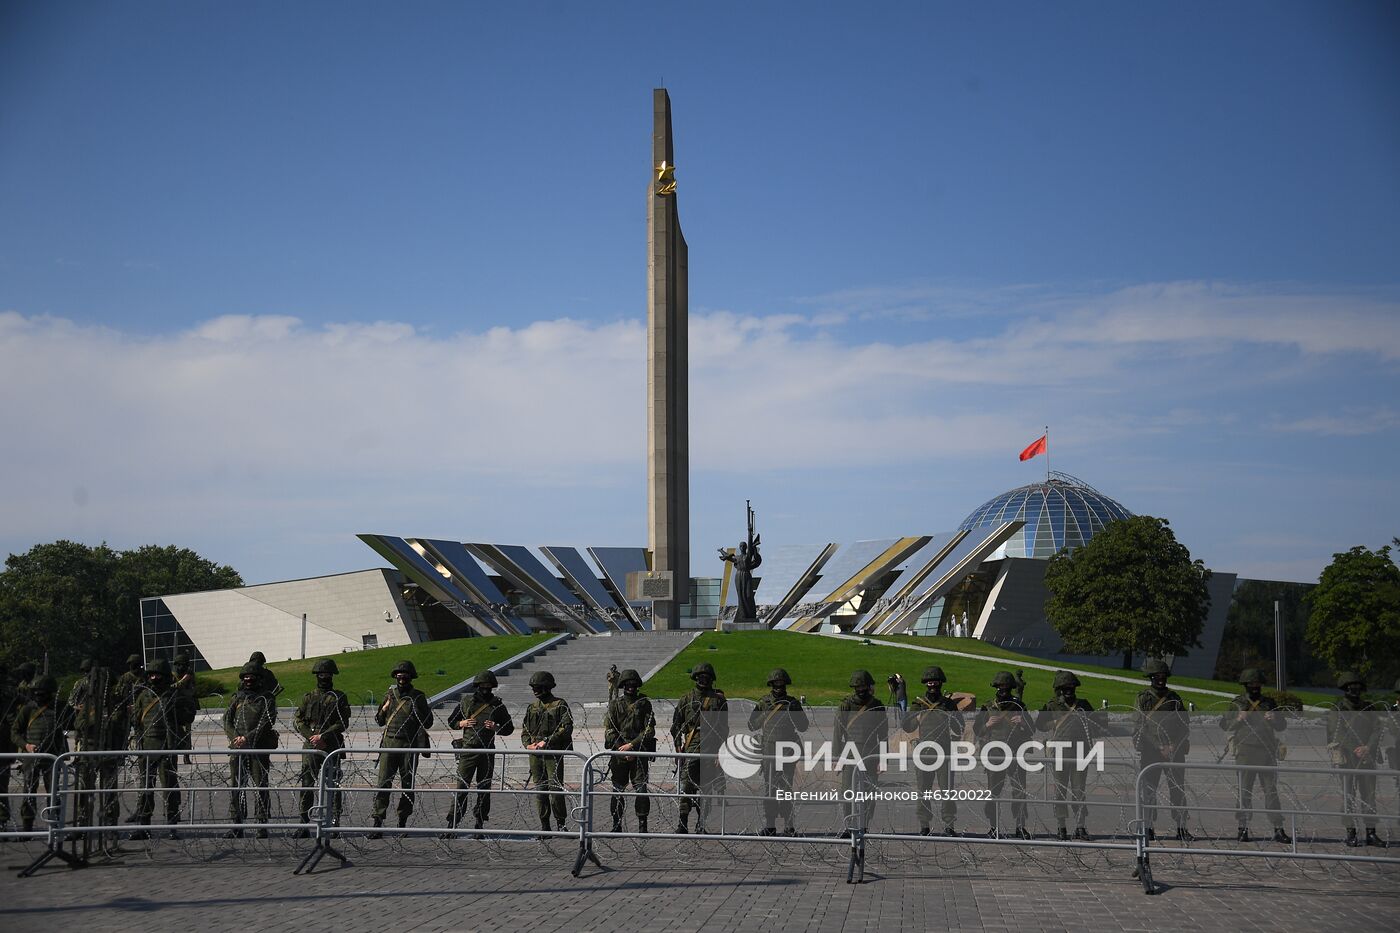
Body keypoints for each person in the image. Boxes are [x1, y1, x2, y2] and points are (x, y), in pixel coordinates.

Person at [1218, 668, 1291, 844]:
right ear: (1245, 685)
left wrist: (1275, 718)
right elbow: (1224, 725)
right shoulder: (1237, 703)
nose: (1255, 686)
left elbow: (1282, 726)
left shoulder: (1269, 703)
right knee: (1244, 791)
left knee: (1271, 791)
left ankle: (1278, 828)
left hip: (1267, 752)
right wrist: (1238, 719)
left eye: (1257, 683)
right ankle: (1242, 828)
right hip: (1245, 752)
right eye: (1251, 684)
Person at [1036, 671, 1106, 840]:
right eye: (1065, 688)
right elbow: (1039, 725)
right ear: (1059, 689)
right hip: (1059, 752)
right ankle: (1061, 827)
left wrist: (1091, 722)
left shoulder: (1083, 705)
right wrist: (1053, 722)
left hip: (1080, 752)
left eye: (1071, 687)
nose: (1069, 691)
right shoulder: (1052, 705)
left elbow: (1098, 725)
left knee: (1078, 790)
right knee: (1060, 791)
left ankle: (1080, 826)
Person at [130, 659, 196, 839]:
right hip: (147, 747)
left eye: (157, 674)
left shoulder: (174, 694)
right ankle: (143, 825)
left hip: (167, 747)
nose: (154, 677)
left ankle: (172, 824)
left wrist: (180, 709)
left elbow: (188, 715)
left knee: (169, 787)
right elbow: (136, 720)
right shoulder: (144, 696)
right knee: (145, 787)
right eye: (151, 674)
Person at [443, 669, 513, 836]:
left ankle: (479, 823)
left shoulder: (497, 705)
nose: (485, 688)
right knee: (461, 787)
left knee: (484, 788)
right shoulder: (467, 702)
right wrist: (462, 723)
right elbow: (451, 721)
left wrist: (496, 727)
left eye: (488, 685)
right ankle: (452, 824)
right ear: (477, 685)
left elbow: (509, 728)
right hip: (468, 750)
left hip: (487, 751)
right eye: (482, 685)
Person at [369, 660, 434, 838]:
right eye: (399, 675)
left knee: (407, 785)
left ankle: (402, 821)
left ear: (411, 677)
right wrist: (384, 708)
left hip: (409, 746)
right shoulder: (390, 695)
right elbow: (379, 721)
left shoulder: (418, 697)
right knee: (383, 784)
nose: (401, 678)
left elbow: (428, 722)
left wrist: (416, 710)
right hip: (389, 744)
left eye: (405, 675)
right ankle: (377, 822)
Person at [1134, 658, 1193, 842]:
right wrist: (1159, 746)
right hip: (1151, 751)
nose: (1160, 680)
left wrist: (1174, 744)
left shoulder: (1174, 698)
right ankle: (1148, 826)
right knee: (1149, 790)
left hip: (1174, 750)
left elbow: (1184, 725)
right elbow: (1140, 726)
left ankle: (1181, 826)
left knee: (1177, 789)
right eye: (1157, 676)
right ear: (1151, 678)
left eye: (1163, 676)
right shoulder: (1144, 698)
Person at [1327, 671, 1387, 847]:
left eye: (1357, 688)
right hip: (1348, 758)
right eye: (1351, 688)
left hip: (1367, 757)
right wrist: (1357, 747)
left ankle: (1371, 832)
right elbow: (1336, 731)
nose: (1355, 691)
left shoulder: (1369, 708)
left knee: (1369, 795)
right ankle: (1350, 831)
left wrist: (1368, 747)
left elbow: (1378, 729)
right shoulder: (1337, 709)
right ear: (1345, 689)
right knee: (1349, 795)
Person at [293, 658, 351, 838]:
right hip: (311, 745)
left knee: (332, 785)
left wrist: (323, 736)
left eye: (327, 674)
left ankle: (334, 822)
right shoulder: (308, 697)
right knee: (306, 784)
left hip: (331, 744)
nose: (324, 677)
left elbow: (343, 722)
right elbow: (298, 720)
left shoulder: (339, 697)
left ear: (332, 676)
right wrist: (311, 737)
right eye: (321, 674)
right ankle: (303, 823)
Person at [902, 665, 963, 836]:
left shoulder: (949, 704)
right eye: (930, 683)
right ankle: (924, 825)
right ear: (925, 684)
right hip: (924, 751)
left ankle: (949, 825)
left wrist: (953, 719)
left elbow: (959, 728)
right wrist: (911, 716)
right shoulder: (919, 703)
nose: (933, 686)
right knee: (923, 789)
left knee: (947, 790)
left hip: (944, 751)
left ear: (941, 684)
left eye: (935, 682)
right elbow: (908, 727)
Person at [974, 671, 1034, 838]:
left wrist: (1023, 722)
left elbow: (1032, 729)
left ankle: (1020, 826)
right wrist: (986, 724)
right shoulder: (988, 706)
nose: (1003, 690)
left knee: (1019, 791)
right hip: (994, 753)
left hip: (1015, 753)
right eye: (1000, 687)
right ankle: (993, 827)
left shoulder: (1019, 706)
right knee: (994, 791)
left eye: (1006, 687)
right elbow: (977, 730)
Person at [670, 662, 728, 833]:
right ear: (695, 678)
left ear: (711, 679)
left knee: (706, 789)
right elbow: (676, 725)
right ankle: (682, 823)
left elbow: (724, 729)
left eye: (707, 677)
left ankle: (701, 823)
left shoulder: (719, 701)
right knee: (686, 788)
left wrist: (721, 752)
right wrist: (678, 746)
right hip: (691, 748)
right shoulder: (686, 699)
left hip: (711, 749)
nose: (704, 680)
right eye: (701, 677)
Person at [749, 668, 808, 836]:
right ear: (771, 684)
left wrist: (794, 712)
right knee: (769, 789)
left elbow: (803, 726)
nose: (779, 687)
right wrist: (765, 714)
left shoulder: (792, 703)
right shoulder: (763, 703)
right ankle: (770, 824)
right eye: (776, 684)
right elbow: (752, 725)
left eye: (781, 683)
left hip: (787, 751)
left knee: (786, 788)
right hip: (769, 751)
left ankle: (789, 826)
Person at [222, 662, 278, 838]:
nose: (248, 681)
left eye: (251, 678)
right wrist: (235, 738)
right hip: (238, 748)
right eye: (245, 678)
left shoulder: (267, 698)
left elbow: (266, 722)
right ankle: (237, 824)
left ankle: (261, 824)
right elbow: (227, 720)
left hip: (258, 749)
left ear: (259, 679)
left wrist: (248, 738)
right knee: (237, 787)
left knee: (260, 786)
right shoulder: (237, 698)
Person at [70, 663, 125, 832]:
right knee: (83, 791)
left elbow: (117, 724)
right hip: (89, 751)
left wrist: (98, 721)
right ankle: (82, 824)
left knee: (109, 791)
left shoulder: (116, 704)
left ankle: (110, 824)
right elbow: (79, 724)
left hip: (108, 750)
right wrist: (99, 720)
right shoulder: (89, 704)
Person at [10, 675, 68, 834]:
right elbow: (15, 732)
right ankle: (27, 826)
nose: (38, 697)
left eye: (42, 693)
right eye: (36, 693)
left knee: (53, 791)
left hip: (52, 757)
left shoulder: (59, 707)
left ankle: (54, 824)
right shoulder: (28, 709)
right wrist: (26, 745)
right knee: (29, 791)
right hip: (32, 758)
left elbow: (72, 722)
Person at [835, 670, 888, 837]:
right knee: (847, 792)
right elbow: (837, 734)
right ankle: (849, 825)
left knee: (869, 793)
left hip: (871, 753)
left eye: (864, 685)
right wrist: (837, 758)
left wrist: (883, 759)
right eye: (858, 686)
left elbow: (883, 735)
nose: (861, 689)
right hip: (850, 753)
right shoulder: (845, 706)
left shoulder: (877, 706)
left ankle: (864, 825)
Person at [521, 671, 573, 835]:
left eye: (538, 687)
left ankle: (560, 823)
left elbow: (567, 727)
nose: (535, 690)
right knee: (540, 789)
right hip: (536, 754)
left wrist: (548, 741)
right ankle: (544, 825)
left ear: (547, 687)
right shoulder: (532, 707)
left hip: (553, 753)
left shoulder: (559, 704)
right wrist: (528, 745)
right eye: (534, 687)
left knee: (555, 788)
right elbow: (525, 730)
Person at [604, 668, 656, 833]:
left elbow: (649, 730)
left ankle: (642, 825)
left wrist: (632, 746)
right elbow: (610, 730)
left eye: (633, 684)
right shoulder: (615, 705)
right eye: (627, 684)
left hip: (638, 752)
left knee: (641, 789)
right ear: (623, 685)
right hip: (619, 754)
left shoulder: (644, 704)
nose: (631, 687)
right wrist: (623, 748)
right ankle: (616, 824)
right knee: (618, 789)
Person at [0, 662, 16, 829]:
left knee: (1, 786)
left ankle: (2, 819)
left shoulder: (8, 695)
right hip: (4, 745)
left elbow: (13, 724)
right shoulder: (10, 694)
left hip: (3, 745)